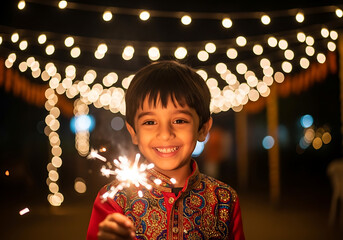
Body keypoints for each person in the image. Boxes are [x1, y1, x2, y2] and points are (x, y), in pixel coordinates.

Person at [87, 61, 245, 240]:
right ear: (134, 132)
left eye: (179, 121)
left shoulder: (224, 199)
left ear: (203, 129)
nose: (165, 134)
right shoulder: (114, 200)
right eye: (149, 122)